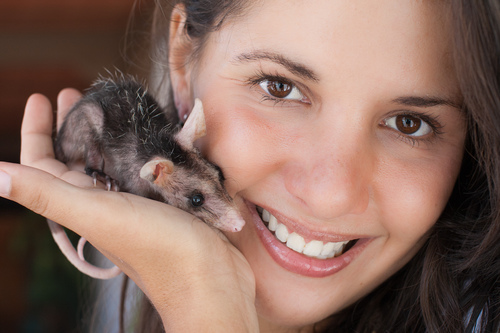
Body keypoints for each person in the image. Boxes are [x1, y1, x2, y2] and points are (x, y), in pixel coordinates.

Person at [0, 0, 499, 331]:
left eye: (410, 123)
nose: (329, 194)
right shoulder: (126, 293)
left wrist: (204, 309)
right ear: (183, 61)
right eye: (280, 88)